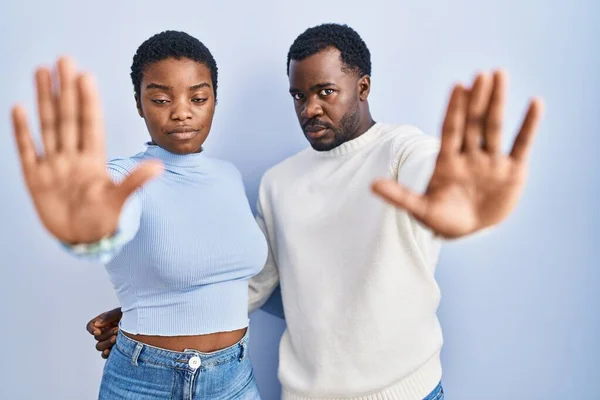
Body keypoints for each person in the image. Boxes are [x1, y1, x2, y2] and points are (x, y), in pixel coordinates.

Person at [87, 23, 543, 400]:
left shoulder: (402, 151)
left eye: (325, 91)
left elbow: (433, 171)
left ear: (362, 87)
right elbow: (253, 284)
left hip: (410, 392)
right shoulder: (278, 182)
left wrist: (467, 200)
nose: (311, 109)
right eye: (299, 96)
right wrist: (144, 315)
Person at [11, 31, 267, 399]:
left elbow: (220, 278)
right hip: (149, 383)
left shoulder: (228, 175)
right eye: (161, 99)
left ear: (214, 99)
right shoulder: (120, 179)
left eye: (198, 97)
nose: (182, 112)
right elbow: (109, 226)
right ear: (138, 103)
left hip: (236, 378)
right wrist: (88, 235)